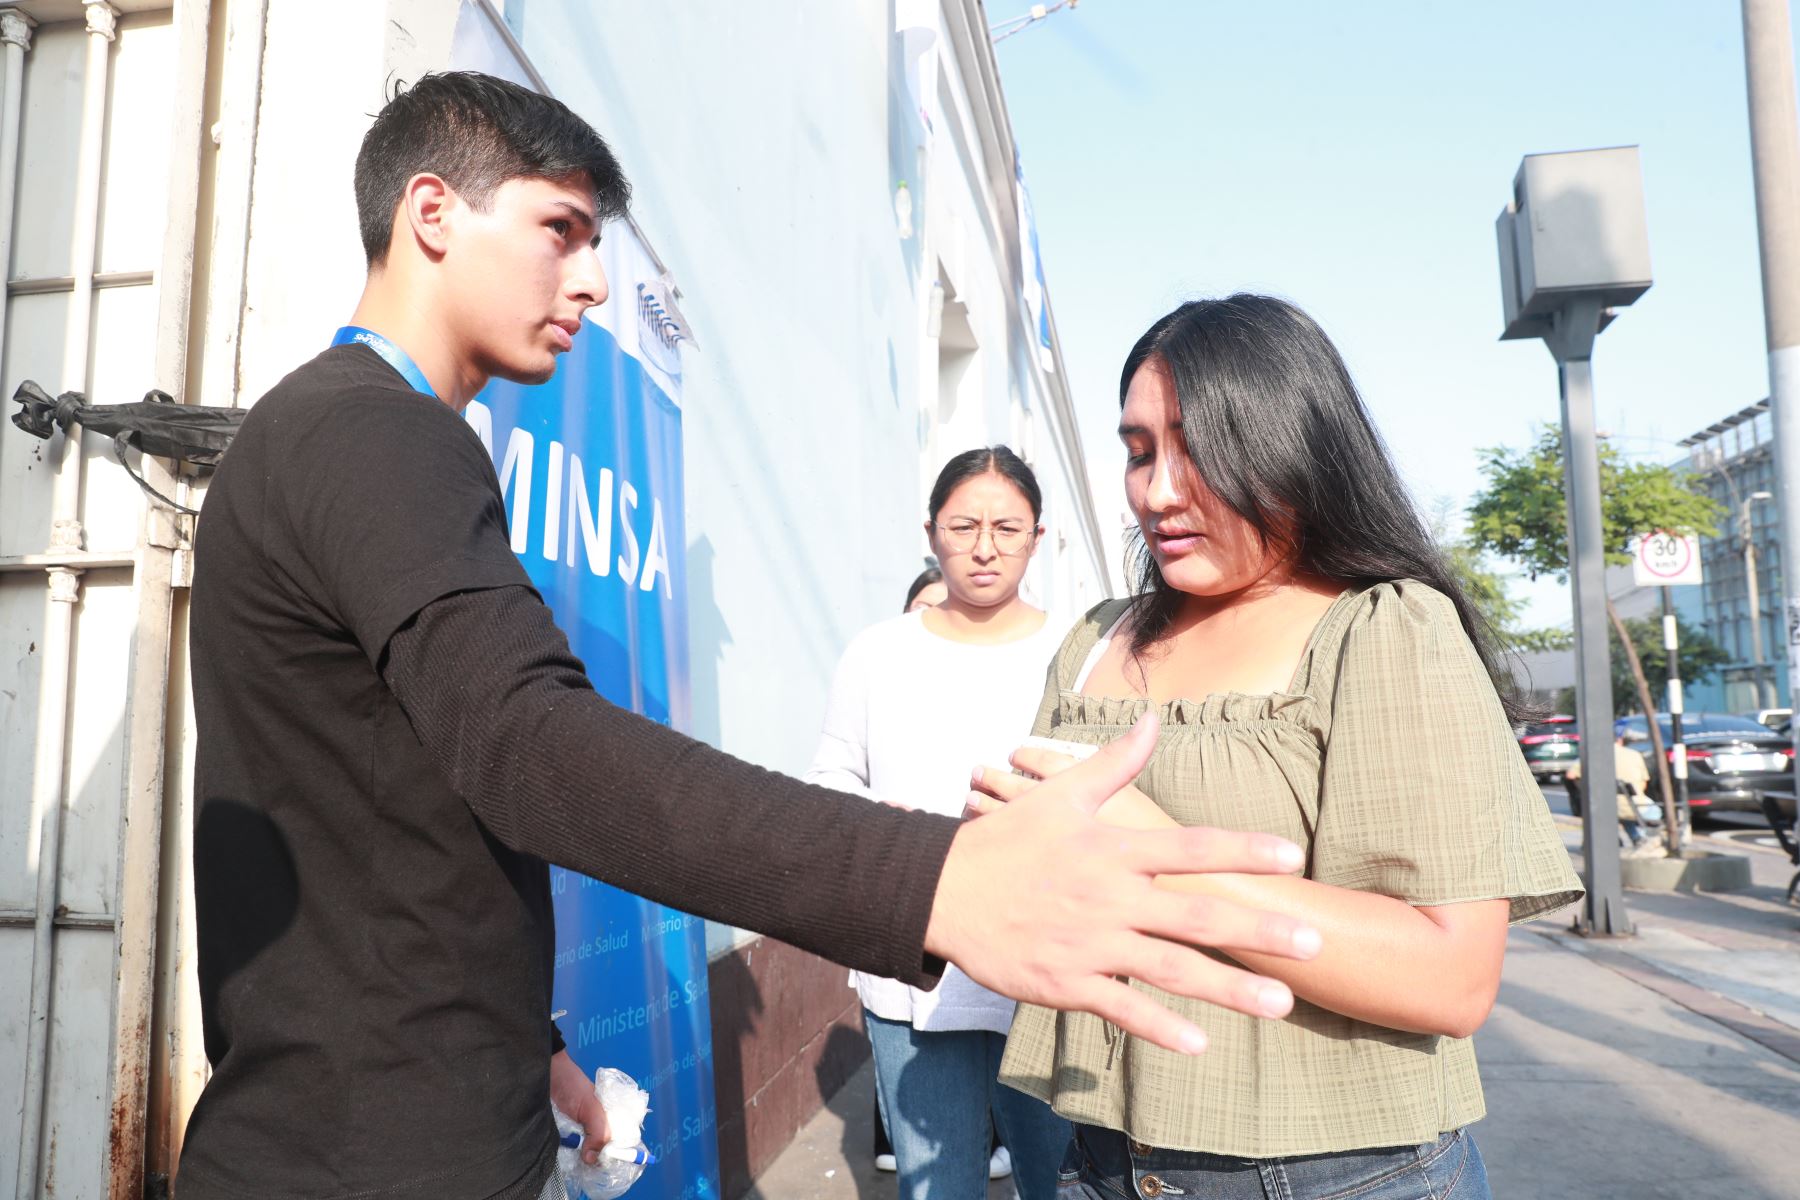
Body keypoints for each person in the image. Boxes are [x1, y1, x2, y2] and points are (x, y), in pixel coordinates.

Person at [178, 77, 1323, 1200]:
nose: (590, 282)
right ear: (432, 213)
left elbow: (398, 810)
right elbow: (530, 749)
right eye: (560, 231)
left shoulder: (369, 440)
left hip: (413, 1115)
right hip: (363, 1154)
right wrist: (931, 882)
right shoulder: (373, 437)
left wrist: (531, 1040)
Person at [970, 296, 1584, 1200]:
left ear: (1296, 446)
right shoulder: (1096, 639)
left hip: (1341, 1172)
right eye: (1140, 451)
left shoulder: (1383, 628)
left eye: (1199, 450)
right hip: (1096, 1155)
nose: (1160, 490)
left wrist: (1151, 858)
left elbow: (1449, 977)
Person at [808, 449, 1071, 1199]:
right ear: (931, 532)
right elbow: (830, 778)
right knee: (937, 1186)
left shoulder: (1079, 654)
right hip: (913, 963)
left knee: (1062, 1179)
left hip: (1047, 969)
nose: (985, 546)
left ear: (1037, 536)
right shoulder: (878, 653)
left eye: (1006, 527)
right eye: (963, 525)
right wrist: (870, 823)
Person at [1565, 732, 1654, 848]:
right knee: (1624, 805)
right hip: (1637, 805)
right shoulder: (1635, 754)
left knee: (1611, 806)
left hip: (1603, 806)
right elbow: (1644, 783)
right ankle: (1635, 837)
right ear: (1619, 740)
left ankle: (1614, 838)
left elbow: (1570, 775)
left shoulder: (1593, 754)